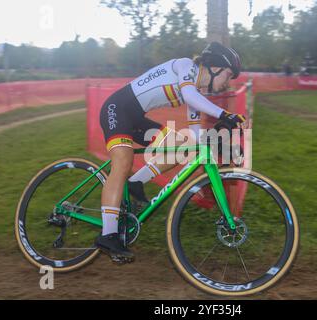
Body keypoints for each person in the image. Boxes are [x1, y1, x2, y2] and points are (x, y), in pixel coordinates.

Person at [96, 42, 246, 262]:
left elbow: (195, 136)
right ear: (214, 67)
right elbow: (191, 96)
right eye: (228, 75)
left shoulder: (195, 90)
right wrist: (225, 114)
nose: (227, 83)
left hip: (135, 117)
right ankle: (108, 235)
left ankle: (135, 183)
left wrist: (215, 139)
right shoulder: (186, 66)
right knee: (123, 160)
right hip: (116, 108)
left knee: (183, 149)